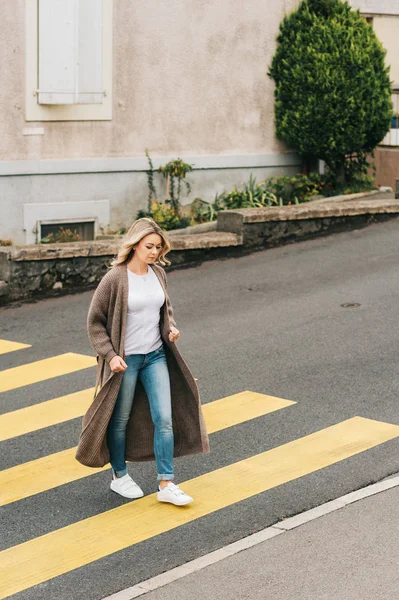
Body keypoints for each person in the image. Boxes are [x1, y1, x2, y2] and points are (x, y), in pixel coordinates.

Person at [75, 218, 210, 506]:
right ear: (134, 244)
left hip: (156, 355)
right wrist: (110, 356)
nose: (153, 252)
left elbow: (165, 309)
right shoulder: (115, 278)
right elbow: (94, 322)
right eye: (149, 246)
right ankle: (119, 475)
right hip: (126, 361)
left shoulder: (158, 274)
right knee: (120, 419)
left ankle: (166, 482)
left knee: (164, 418)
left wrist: (170, 328)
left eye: (158, 247)